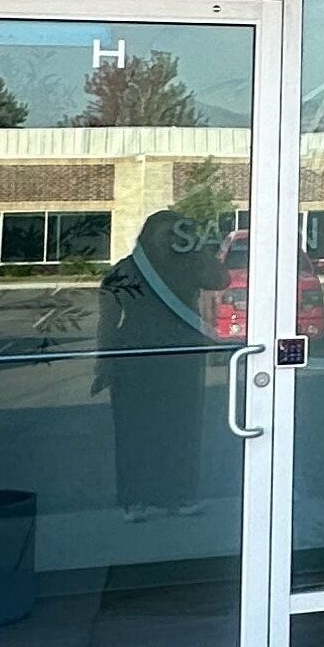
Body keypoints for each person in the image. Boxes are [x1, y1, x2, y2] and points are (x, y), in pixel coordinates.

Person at [94, 206, 232, 520]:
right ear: (148, 237)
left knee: (182, 427)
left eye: (178, 233)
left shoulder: (188, 266)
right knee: (134, 430)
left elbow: (221, 279)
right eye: (167, 234)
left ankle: (178, 496)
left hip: (182, 358)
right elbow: (108, 320)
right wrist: (105, 361)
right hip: (135, 358)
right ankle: (135, 499)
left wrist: (197, 249)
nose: (173, 240)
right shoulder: (126, 270)